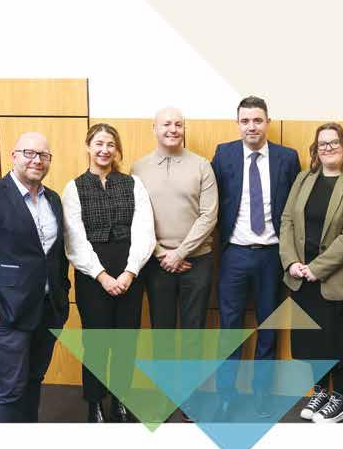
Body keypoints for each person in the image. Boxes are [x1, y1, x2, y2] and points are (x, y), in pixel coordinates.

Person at [211, 96, 300, 415]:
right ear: (238, 123)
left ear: (268, 122)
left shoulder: (287, 158)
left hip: (271, 257)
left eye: (257, 120)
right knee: (230, 327)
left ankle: (262, 393)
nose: (252, 126)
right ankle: (226, 394)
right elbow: (213, 201)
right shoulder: (223, 154)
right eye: (245, 121)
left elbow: (294, 209)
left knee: (268, 326)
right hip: (234, 255)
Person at [62, 124, 155, 422]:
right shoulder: (74, 188)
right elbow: (74, 239)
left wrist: (129, 272)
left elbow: (144, 231)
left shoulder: (133, 184)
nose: (104, 150)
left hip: (130, 271)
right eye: (99, 143)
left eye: (110, 144)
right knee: (96, 343)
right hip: (92, 276)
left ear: (117, 150)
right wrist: (101, 275)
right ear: (88, 147)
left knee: (126, 342)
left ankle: (120, 400)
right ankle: (95, 403)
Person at [279, 123, 343, 423]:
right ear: (315, 150)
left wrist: (317, 268)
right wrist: (291, 262)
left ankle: (340, 398)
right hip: (300, 277)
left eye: (333, 142)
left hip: (334, 280)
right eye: (322, 143)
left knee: (338, 341)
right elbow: (287, 220)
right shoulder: (304, 179)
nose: (328, 148)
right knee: (310, 342)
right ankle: (319, 392)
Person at [131, 106, 218, 414]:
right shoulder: (138, 168)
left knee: (194, 332)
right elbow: (136, 218)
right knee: (162, 332)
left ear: (184, 129)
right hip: (156, 264)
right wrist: (161, 254)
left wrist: (180, 253)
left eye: (178, 124)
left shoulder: (202, 166)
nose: (172, 129)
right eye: (166, 124)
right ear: (154, 128)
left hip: (198, 261)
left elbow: (209, 215)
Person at [0, 132, 70, 422]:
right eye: (29, 153)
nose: (36, 160)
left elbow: (56, 255)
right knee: (10, 391)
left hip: (47, 311)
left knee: (34, 382)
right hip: (7, 314)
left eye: (43, 155)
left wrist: (63, 295)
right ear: (14, 156)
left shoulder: (53, 199)